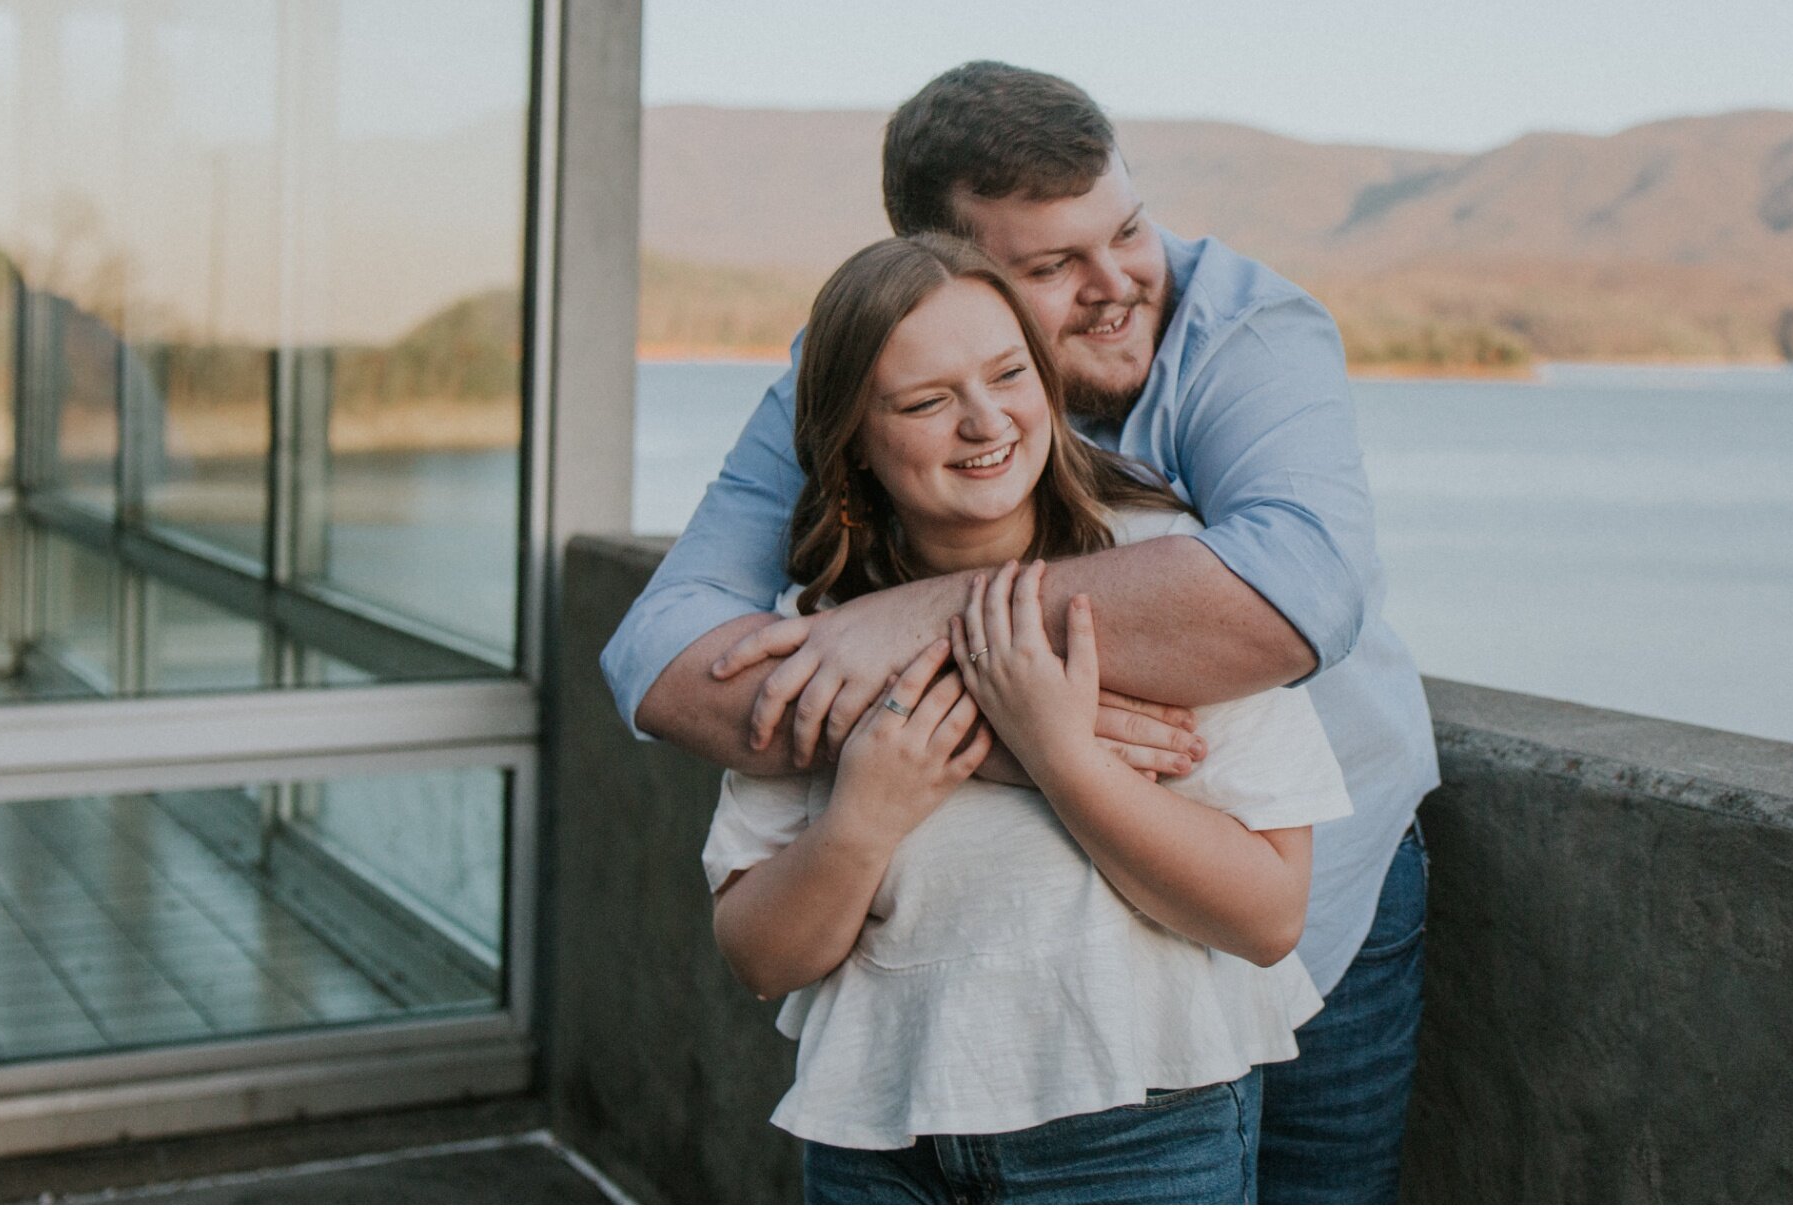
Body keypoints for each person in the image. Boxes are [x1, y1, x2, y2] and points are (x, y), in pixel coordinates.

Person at [604, 60, 1441, 1202]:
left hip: (1314, 860)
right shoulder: (867, 360)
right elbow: (658, 657)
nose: (1115, 285)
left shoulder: (1245, 329)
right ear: (950, 269)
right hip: (954, 1036)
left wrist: (928, 616)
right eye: (1050, 265)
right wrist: (1000, 739)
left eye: (1129, 228)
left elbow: (1298, 598)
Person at [705, 233, 1354, 1203]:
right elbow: (759, 954)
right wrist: (862, 817)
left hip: (1135, 1131)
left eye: (1007, 374)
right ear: (856, 448)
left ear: (1047, 382)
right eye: (925, 401)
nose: (982, 421)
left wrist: (1061, 755)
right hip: (881, 1139)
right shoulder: (831, 635)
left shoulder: (1162, 579)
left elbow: (1266, 914)